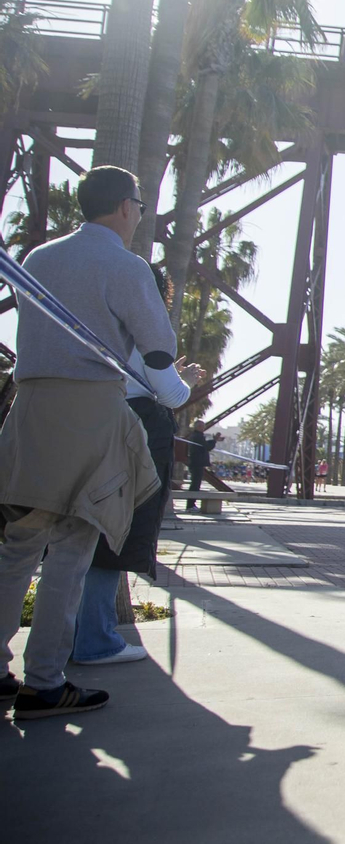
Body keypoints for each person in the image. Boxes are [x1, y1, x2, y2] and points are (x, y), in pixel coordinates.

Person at [0, 165, 166, 720]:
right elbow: (158, 352)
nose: (139, 215)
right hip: (90, 410)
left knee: (18, 546)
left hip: (29, 408)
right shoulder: (125, 265)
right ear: (124, 206)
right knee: (72, 547)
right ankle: (45, 681)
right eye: (139, 206)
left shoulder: (39, 258)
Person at [73, 262, 203, 667]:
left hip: (83, 421)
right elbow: (171, 395)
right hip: (133, 431)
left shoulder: (90, 310)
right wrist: (187, 382)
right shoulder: (146, 321)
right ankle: (96, 640)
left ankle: (65, 640)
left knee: (74, 534)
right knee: (115, 534)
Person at [183, 421, 221, 509]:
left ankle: (191, 504)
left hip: (196, 462)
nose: (203, 428)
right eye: (202, 426)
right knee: (195, 484)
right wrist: (214, 440)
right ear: (198, 427)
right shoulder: (197, 436)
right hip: (197, 463)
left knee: (196, 484)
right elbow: (206, 447)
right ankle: (190, 505)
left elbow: (204, 445)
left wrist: (213, 440)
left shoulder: (196, 436)